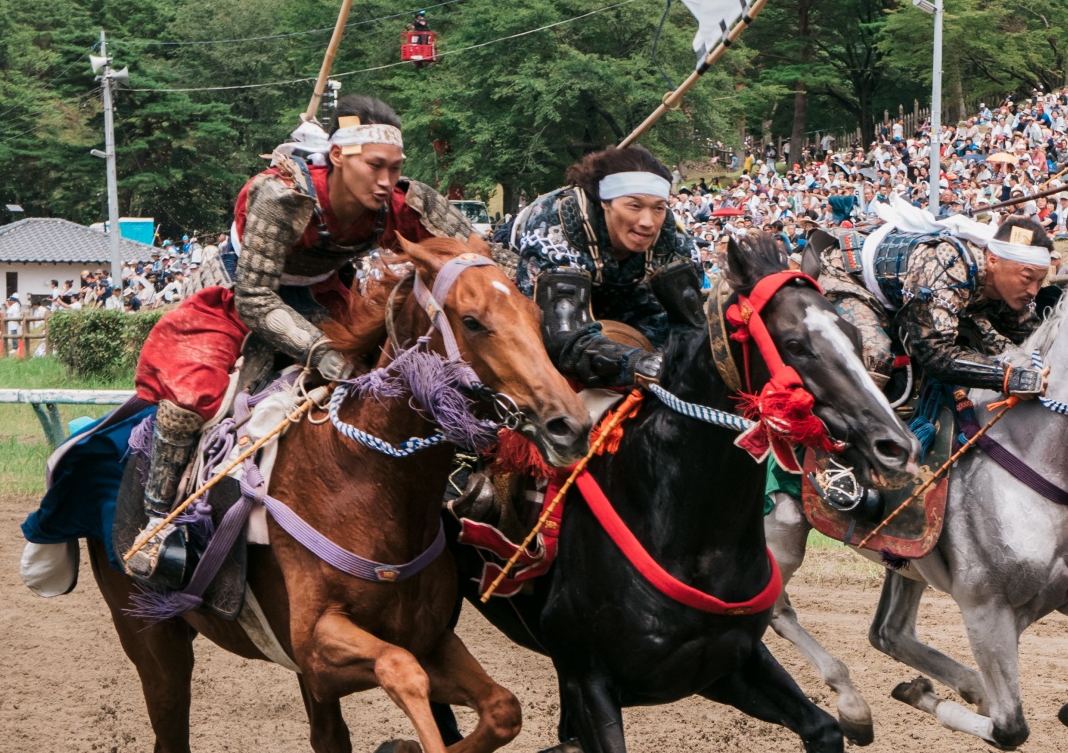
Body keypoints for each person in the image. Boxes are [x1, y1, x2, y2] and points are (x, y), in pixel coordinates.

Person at [129, 94, 476, 586]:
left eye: (395, 167)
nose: (387, 180)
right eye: (375, 166)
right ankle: (158, 525)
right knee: (190, 400)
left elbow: (477, 253)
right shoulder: (279, 197)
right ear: (338, 156)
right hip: (237, 296)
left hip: (326, 294)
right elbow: (255, 297)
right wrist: (324, 354)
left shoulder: (403, 201)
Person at [509, 145, 698, 388]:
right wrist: (638, 364)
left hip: (636, 320)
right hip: (555, 323)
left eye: (658, 208)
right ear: (605, 202)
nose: (648, 222)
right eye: (634, 206)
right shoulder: (556, 221)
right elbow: (563, 338)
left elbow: (689, 326)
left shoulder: (673, 238)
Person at [816, 213, 1049, 399]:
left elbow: (1028, 333)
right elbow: (933, 351)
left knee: (1003, 348)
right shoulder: (947, 262)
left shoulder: (1011, 285)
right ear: (993, 261)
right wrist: (1007, 378)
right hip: (851, 277)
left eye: (1040, 281)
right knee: (876, 357)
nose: (1033, 291)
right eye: (1027, 278)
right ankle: (848, 442)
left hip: (954, 300)